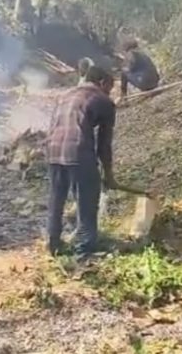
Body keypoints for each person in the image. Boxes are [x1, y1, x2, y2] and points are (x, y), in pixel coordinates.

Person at [46, 65, 118, 260]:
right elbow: (104, 145)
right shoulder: (104, 101)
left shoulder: (64, 95)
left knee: (56, 198)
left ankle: (53, 243)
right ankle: (85, 250)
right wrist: (108, 175)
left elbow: (53, 126)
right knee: (88, 199)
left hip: (53, 150)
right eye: (110, 87)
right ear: (102, 82)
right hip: (78, 150)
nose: (110, 92)